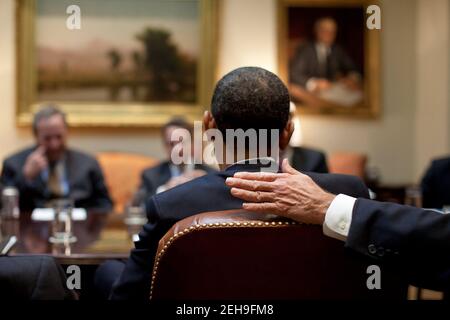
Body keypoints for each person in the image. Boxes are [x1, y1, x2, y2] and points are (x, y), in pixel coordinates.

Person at [95, 66, 370, 300]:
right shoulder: (349, 193)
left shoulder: (171, 205)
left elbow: (128, 295)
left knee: (106, 272)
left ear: (208, 127)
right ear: (288, 132)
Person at [225, 159, 450, 292]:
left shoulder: (189, 195)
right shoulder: (350, 185)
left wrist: (325, 206)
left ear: (209, 125)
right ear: (288, 130)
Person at [0, 106, 113, 212]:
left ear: (67, 132)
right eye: (47, 138)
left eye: (59, 137)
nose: (54, 144)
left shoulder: (88, 164)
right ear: (36, 136)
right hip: (31, 231)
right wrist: (26, 178)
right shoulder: (13, 164)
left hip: (78, 229)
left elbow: (105, 205)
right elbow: (4, 207)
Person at [289, 17, 362, 106]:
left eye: (332, 32)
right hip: (312, 93)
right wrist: (314, 83)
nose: (329, 34)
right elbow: (295, 73)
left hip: (333, 91)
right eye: (325, 31)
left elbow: (353, 68)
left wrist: (352, 78)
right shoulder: (306, 50)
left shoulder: (337, 50)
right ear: (318, 31)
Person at [138, 118, 215, 199]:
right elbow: (142, 206)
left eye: (181, 142)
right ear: (165, 146)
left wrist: (207, 186)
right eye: (171, 144)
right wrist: (164, 190)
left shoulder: (210, 174)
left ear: (192, 143)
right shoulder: (151, 175)